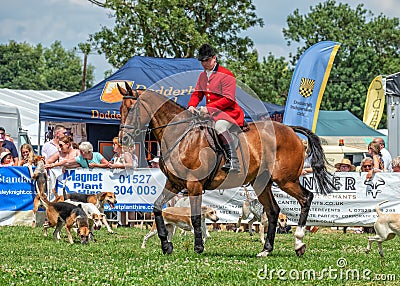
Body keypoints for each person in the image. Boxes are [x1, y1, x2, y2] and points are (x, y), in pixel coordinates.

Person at [187, 43, 245, 173]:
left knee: (220, 127)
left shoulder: (226, 74)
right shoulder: (203, 76)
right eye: (202, 61)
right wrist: (191, 105)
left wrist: (208, 108)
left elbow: (229, 99)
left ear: (214, 58)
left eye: (207, 60)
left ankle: (233, 161)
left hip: (228, 113)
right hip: (211, 114)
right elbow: (197, 93)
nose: (204, 63)